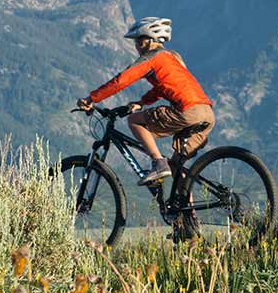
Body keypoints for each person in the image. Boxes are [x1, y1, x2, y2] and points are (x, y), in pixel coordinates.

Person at [76, 17, 215, 187]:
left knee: (134, 120)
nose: (136, 46)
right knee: (177, 167)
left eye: (138, 40)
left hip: (187, 111)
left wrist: (91, 98)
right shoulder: (172, 57)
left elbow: (121, 81)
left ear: (147, 41)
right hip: (206, 113)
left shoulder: (153, 57)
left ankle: (158, 162)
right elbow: (164, 87)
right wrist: (142, 102)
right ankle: (186, 212)